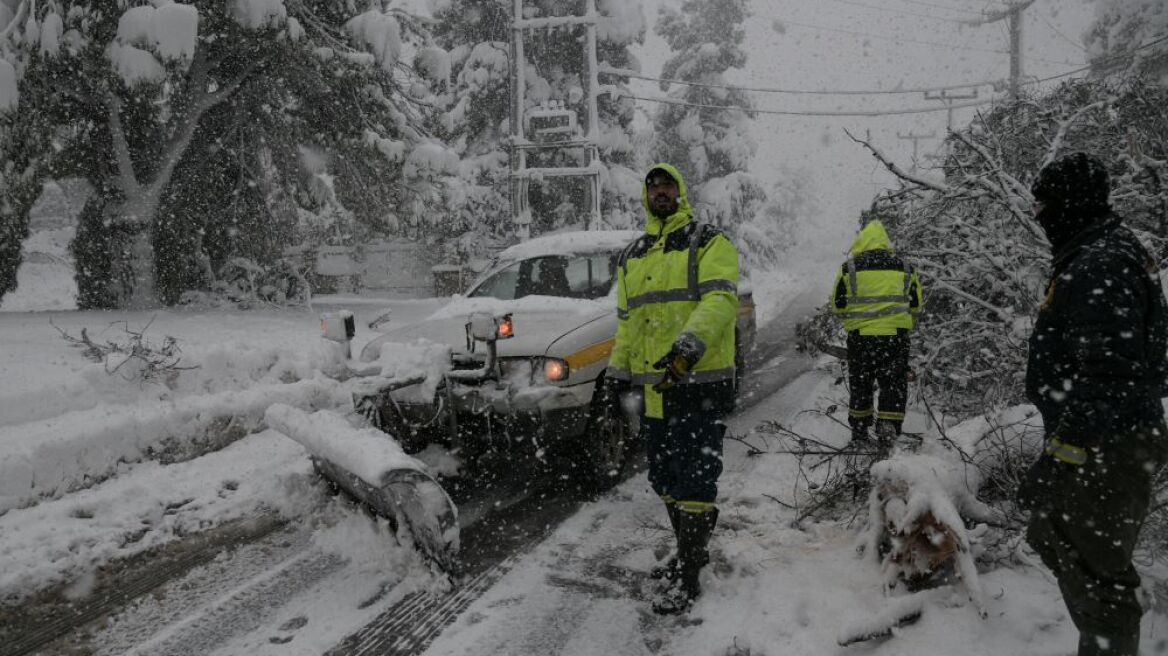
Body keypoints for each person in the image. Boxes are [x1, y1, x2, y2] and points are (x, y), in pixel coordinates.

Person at [1017, 152, 1168, 656]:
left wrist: (1059, 454)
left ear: (1070, 205)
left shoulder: (1101, 262)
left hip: (1106, 449)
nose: (1039, 216)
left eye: (1045, 205)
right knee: (1054, 536)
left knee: (1101, 584)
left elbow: (1110, 376)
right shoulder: (1099, 255)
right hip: (1105, 443)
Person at [605, 163, 740, 614]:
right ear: (646, 197)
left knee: (696, 478)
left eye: (667, 186)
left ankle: (692, 575)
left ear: (681, 192)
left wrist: (689, 344)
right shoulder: (633, 256)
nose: (660, 192)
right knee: (664, 477)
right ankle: (688, 549)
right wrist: (616, 374)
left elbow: (720, 299)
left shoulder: (708, 241)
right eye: (653, 187)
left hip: (697, 383)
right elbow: (628, 325)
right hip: (655, 391)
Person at [830, 219, 923, 445]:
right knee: (893, 384)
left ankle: (860, 433)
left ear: (861, 242)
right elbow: (916, 305)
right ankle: (888, 430)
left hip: (861, 339)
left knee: (861, 385)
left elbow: (838, 305)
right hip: (894, 338)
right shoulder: (905, 268)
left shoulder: (849, 268)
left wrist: (855, 323)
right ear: (885, 242)